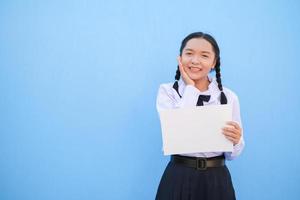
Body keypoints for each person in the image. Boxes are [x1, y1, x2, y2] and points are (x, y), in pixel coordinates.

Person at [155, 32, 245, 200]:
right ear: (180, 58)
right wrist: (191, 88)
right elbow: (176, 134)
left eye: (204, 56)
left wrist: (236, 140)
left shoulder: (228, 96)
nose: (195, 61)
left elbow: (233, 155)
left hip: (216, 178)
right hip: (179, 175)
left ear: (213, 63)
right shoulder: (168, 92)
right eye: (189, 53)